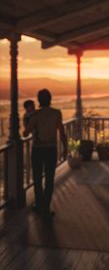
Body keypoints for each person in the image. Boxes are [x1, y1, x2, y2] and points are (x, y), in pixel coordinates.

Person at [23, 89, 67, 218]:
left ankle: (39, 204)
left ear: (39, 100)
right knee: (49, 179)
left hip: (38, 150)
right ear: (50, 99)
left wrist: (27, 119)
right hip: (51, 149)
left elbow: (26, 133)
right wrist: (65, 148)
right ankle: (46, 207)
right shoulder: (56, 113)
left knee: (37, 178)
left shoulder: (36, 115)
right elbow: (62, 132)